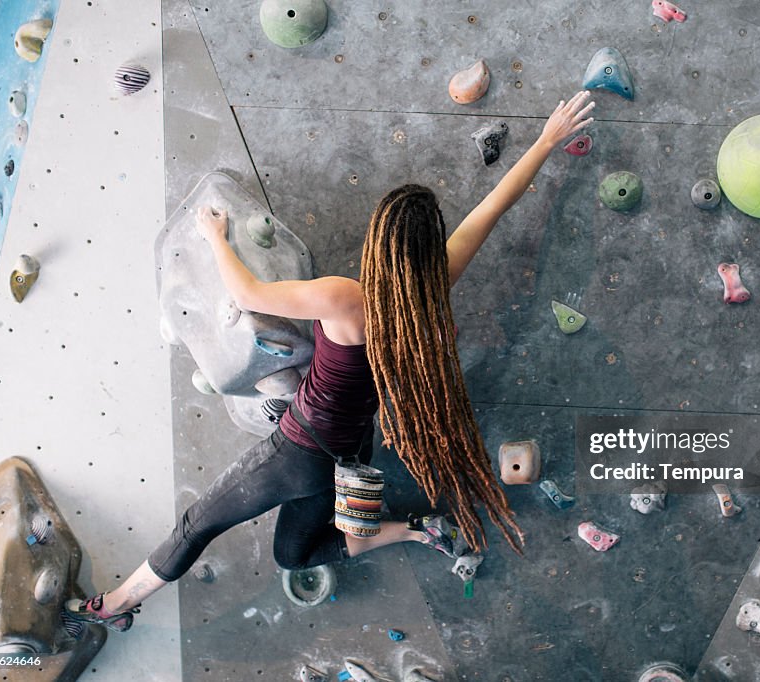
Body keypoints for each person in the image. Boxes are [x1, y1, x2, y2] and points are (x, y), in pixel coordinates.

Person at [64, 91, 596, 632]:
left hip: (298, 451)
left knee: (196, 525)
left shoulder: (346, 298)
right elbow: (492, 208)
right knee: (292, 556)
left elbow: (247, 293)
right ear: (427, 248)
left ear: (379, 242)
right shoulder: (434, 286)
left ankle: (111, 605)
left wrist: (216, 237)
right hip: (351, 449)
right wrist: (546, 142)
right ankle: (419, 528)